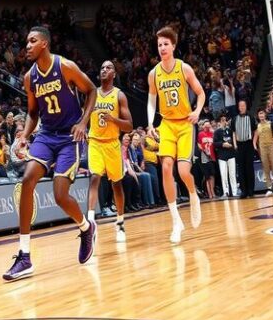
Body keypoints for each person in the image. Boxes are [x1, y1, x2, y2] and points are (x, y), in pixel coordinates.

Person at [3, 26, 97, 282]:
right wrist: (24, 135)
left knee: (59, 195)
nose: (28, 46)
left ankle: (86, 228)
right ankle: (24, 256)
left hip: (69, 136)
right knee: (26, 181)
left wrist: (83, 122)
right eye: (27, 42)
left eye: (32, 41)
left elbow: (91, 91)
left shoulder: (65, 66)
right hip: (46, 134)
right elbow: (33, 113)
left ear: (44, 43)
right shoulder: (29, 77)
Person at [146, 26, 205, 244]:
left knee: (183, 171)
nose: (162, 48)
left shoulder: (184, 68)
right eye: (159, 44)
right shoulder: (153, 74)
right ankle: (176, 221)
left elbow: (200, 93)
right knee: (166, 168)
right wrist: (151, 122)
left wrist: (197, 112)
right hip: (167, 124)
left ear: (173, 46)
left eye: (165, 44)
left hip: (185, 124)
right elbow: (152, 100)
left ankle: (192, 194)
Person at [86, 60, 133, 243]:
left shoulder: (119, 96)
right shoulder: (92, 94)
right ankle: (90, 223)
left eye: (109, 68)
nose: (104, 69)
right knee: (95, 177)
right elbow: (84, 115)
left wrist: (113, 119)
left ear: (114, 74)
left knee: (116, 184)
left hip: (112, 143)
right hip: (95, 142)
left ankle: (120, 222)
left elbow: (129, 126)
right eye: (102, 67)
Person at [253, 109, 273, 196]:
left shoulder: (271, 124)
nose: (261, 116)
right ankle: (269, 188)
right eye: (259, 114)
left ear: (265, 115)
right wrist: (255, 146)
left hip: (271, 146)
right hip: (262, 148)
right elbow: (255, 138)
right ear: (258, 116)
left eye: (262, 114)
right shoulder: (257, 126)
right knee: (266, 168)